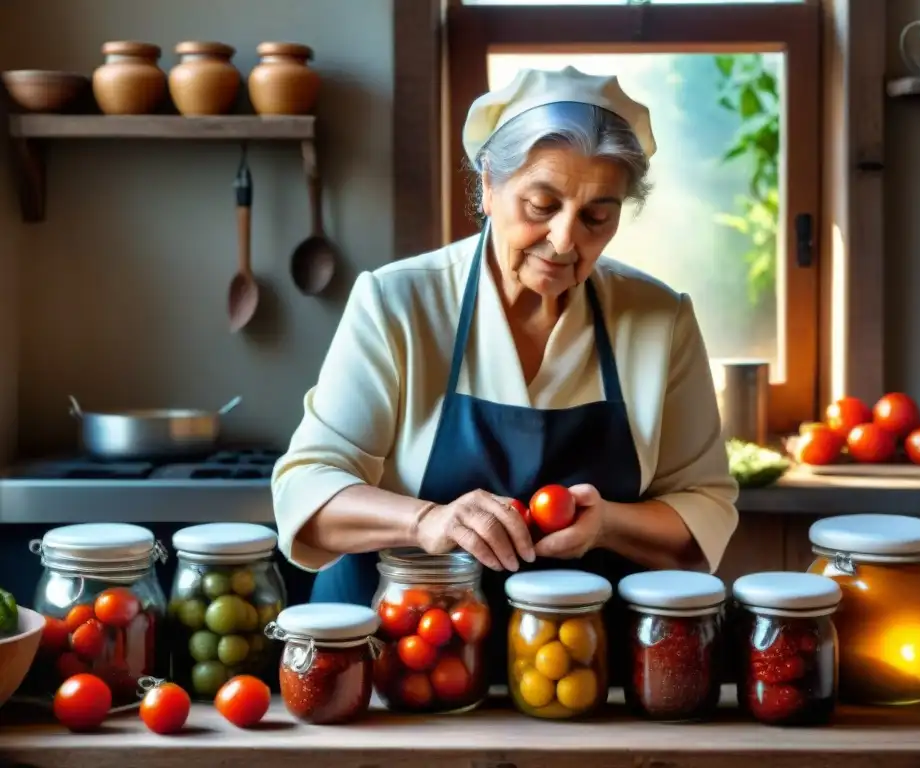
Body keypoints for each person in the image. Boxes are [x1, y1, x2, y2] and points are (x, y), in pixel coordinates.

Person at [272, 66, 739, 685]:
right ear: (489, 186)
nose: (565, 240)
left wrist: (608, 524)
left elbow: (704, 509)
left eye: (597, 216)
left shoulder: (659, 318)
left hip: (583, 675)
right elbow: (307, 490)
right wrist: (426, 521)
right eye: (541, 205)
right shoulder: (398, 302)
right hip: (399, 659)